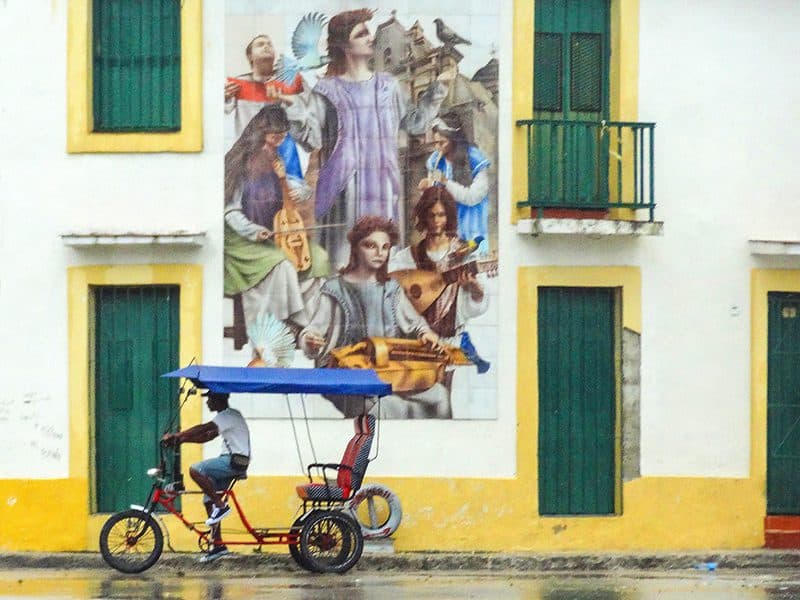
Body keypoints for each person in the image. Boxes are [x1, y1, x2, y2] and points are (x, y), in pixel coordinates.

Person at [281, 9, 455, 268]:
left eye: (368, 31)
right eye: (361, 33)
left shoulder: (388, 85)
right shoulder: (326, 90)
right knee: (344, 265)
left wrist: (438, 87)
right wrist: (292, 108)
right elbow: (311, 137)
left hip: (383, 189)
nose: (369, 37)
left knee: (383, 265)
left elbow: (415, 122)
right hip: (344, 192)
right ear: (344, 45)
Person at [299, 216, 449, 418]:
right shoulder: (335, 288)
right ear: (356, 248)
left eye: (385, 247)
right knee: (389, 407)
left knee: (440, 397)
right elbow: (312, 331)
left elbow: (417, 325)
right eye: (371, 246)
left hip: (389, 370)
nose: (380, 253)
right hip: (346, 376)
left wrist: (426, 334)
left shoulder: (391, 289)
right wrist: (310, 341)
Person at [224, 104, 329, 333]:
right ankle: (279, 324)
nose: (278, 143)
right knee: (280, 264)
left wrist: (298, 190)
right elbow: (230, 212)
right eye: (274, 138)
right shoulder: (240, 163)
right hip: (242, 238)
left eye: (282, 137)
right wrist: (253, 231)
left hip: (276, 231)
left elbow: (295, 187)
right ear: (260, 135)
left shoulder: (280, 153)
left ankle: (308, 327)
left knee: (318, 259)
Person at [389, 186, 488, 346]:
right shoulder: (406, 258)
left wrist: (476, 291)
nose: (436, 221)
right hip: (417, 345)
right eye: (431, 215)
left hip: (452, 344)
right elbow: (391, 296)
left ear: (448, 216)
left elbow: (475, 309)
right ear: (424, 217)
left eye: (441, 215)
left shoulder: (465, 254)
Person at [161, 391, 251, 563]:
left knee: (196, 470)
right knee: (208, 500)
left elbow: (203, 428)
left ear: (218, 400)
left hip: (233, 461)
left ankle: (221, 505)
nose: (208, 402)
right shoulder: (226, 417)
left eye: (209, 399)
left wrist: (177, 435)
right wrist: (182, 440)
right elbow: (207, 436)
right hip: (233, 460)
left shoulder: (227, 415)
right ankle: (218, 545)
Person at [225, 34, 304, 159]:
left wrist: (283, 98)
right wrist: (224, 97)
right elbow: (225, 110)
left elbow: (304, 113)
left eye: (269, 44)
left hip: (282, 154)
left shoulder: (288, 82)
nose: (266, 46)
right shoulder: (238, 84)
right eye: (260, 44)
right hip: (248, 153)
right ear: (250, 56)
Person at [418, 111, 491, 245]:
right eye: (435, 143)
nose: (437, 148)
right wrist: (426, 189)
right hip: (446, 227)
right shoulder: (435, 160)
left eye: (442, 143)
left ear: (454, 139)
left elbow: (472, 197)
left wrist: (445, 182)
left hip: (471, 224)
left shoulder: (474, 158)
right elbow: (434, 195)